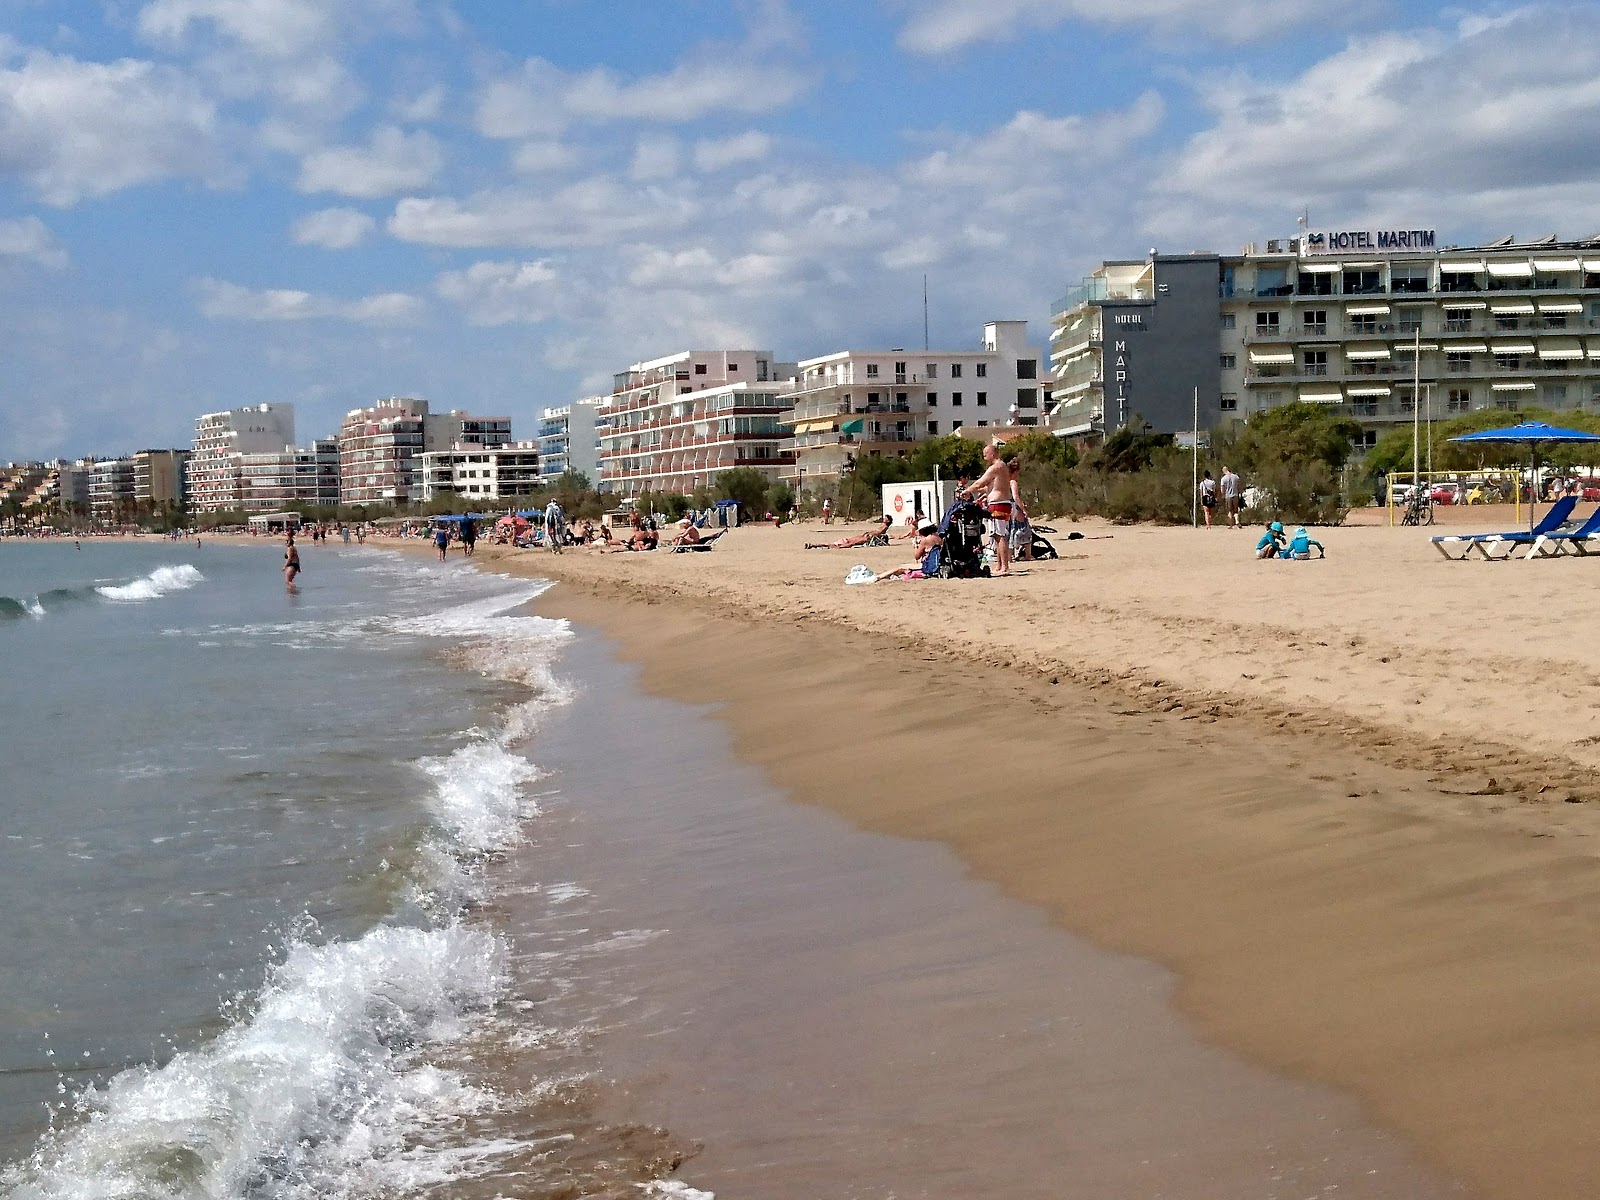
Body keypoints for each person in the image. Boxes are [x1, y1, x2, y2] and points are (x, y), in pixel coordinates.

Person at [957, 443, 1014, 576]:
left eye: (985, 454)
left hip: (998, 503)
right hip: (1000, 502)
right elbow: (989, 487)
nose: (984, 457)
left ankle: (1004, 566)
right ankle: (1000, 565)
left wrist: (967, 490)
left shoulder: (996, 467)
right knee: (996, 536)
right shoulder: (1002, 467)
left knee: (1000, 536)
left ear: (993, 454)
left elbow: (980, 482)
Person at [877, 520, 944, 581]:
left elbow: (917, 556)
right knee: (902, 569)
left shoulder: (925, 540)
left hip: (928, 566)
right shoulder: (939, 537)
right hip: (938, 563)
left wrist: (915, 546)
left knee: (901, 567)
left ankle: (878, 577)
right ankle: (881, 576)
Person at [806, 514, 892, 549]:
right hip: (866, 536)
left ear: (888, 521)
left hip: (866, 538)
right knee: (848, 540)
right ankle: (814, 545)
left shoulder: (884, 527)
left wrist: (869, 534)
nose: (884, 518)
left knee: (850, 542)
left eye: (886, 518)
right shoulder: (882, 526)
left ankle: (814, 545)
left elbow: (879, 533)